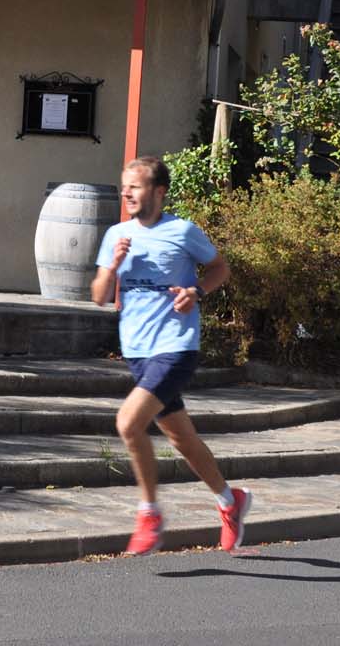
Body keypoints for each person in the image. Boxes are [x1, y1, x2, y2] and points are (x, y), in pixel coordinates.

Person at [90, 156, 251, 556]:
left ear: (158, 192)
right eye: (124, 185)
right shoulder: (116, 235)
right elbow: (97, 295)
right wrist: (113, 266)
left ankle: (149, 514)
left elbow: (219, 268)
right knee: (182, 439)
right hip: (137, 351)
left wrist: (196, 291)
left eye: (136, 186)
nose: (126, 193)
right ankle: (231, 502)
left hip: (176, 346)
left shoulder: (182, 232)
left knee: (128, 423)